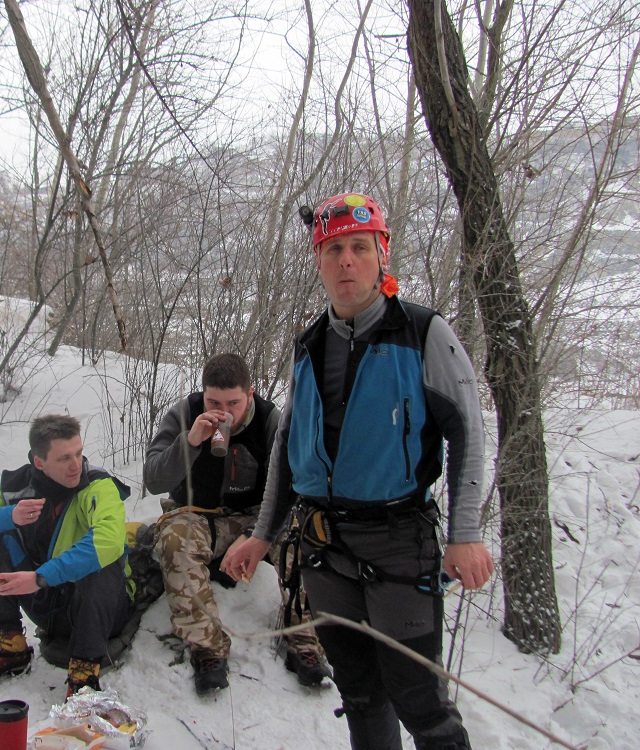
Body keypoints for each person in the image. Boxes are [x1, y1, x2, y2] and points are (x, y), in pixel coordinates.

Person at [223, 192, 494, 749]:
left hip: (399, 542)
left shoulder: (422, 333)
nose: (347, 261)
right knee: (362, 694)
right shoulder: (309, 344)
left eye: (359, 248)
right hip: (326, 548)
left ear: (381, 255)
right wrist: (262, 535)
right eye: (334, 249)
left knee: (418, 698)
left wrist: (465, 534)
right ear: (319, 260)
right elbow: (287, 449)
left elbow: (468, 431)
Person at [143, 353, 330, 696]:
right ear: (203, 394)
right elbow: (153, 478)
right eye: (214, 401)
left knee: (303, 534)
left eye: (234, 403)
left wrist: (255, 533)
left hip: (255, 518)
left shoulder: (271, 422)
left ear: (251, 394)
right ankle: (207, 648)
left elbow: (296, 490)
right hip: (196, 515)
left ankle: (304, 640)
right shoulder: (185, 413)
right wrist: (190, 441)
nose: (224, 411)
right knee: (173, 542)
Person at [0, 414, 133, 698]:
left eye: (79, 453)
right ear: (39, 462)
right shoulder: (18, 487)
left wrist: (40, 577)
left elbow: (109, 540)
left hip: (102, 610)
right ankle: (9, 645)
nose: (76, 466)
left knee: (101, 560)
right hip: (49, 603)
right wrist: (9, 515)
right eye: (64, 459)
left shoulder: (97, 486)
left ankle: (84, 672)